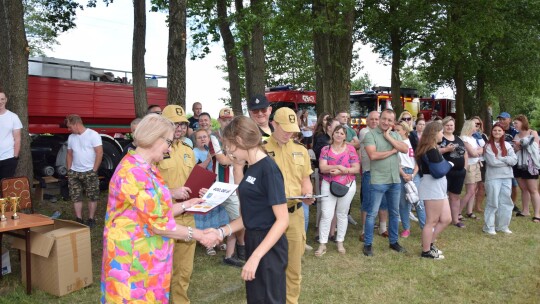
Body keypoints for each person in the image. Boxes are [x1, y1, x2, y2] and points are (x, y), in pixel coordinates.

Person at [100, 114, 213, 303]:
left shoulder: (147, 168)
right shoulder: (134, 172)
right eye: (168, 141)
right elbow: (159, 225)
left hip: (148, 262)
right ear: (154, 138)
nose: (170, 147)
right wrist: (201, 235)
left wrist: (186, 204)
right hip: (132, 265)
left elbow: (156, 211)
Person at [206, 116, 289, 304]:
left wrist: (257, 256)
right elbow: (247, 216)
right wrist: (221, 231)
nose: (228, 151)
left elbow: (282, 220)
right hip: (253, 239)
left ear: (241, 140)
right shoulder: (251, 168)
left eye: (229, 145)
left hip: (269, 244)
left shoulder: (268, 169)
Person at [264, 107, 314, 304]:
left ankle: (291, 301)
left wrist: (307, 193)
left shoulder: (301, 150)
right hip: (270, 216)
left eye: (292, 129)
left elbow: (305, 180)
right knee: (270, 264)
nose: (289, 133)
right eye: (284, 128)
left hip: (295, 214)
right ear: (273, 124)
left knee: (294, 266)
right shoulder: (260, 150)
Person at [157, 105, 199, 303]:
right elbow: (143, 187)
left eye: (183, 124)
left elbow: (192, 180)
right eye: (175, 124)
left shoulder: (187, 150)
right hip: (163, 216)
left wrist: (201, 190)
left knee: (184, 269)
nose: (180, 128)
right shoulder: (155, 151)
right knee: (160, 266)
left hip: (187, 215)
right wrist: (170, 192)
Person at [362, 109, 409, 256]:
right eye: (384, 119)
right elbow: (373, 155)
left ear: (393, 122)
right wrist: (392, 151)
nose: (386, 122)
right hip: (378, 181)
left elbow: (405, 149)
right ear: (380, 118)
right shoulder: (370, 135)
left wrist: (388, 137)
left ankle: (393, 242)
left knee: (394, 214)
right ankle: (368, 244)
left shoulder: (394, 135)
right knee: (372, 214)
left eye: (390, 120)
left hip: (394, 180)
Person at [315, 125, 359, 256]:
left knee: (342, 214)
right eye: (337, 132)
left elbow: (356, 168)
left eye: (342, 133)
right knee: (326, 214)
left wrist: (342, 170)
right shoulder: (325, 149)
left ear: (345, 136)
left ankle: (340, 241)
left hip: (347, 185)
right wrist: (338, 165)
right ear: (332, 134)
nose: (339, 135)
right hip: (328, 184)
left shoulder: (350, 149)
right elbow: (322, 167)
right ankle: (322, 244)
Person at [213, 107, 246, 266]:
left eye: (230, 119)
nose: (228, 122)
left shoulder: (236, 137)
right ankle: (241, 249)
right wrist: (237, 156)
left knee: (237, 217)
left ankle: (231, 254)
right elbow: (223, 160)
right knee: (238, 218)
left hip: (235, 182)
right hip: (222, 184)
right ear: (219, 120)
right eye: (225, 119)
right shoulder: (215, 137)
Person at [416, 121, 452, 260]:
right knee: (431, 220)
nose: (443, 134)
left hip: (439, 187)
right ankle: (426, 251)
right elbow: (438, 171)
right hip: (432, 186)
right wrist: (449, 164)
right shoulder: (430, 150)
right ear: (434, 133)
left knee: (446, 218)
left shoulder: (433, 148)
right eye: (441, 131)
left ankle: (429, 243)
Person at [65, 114, 103, 228]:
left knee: (92, 196)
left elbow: (99, 153)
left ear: (76, 124)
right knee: (76, 196)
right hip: (74, 172)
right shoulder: (71, 137)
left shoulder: (93, 135)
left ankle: (91, 219)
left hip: (89, 171)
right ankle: (79, 219)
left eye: (69, 127)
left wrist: (94, 169)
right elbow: (69, 154)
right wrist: (69, 170)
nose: (68, 129)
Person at [359, 111, 389, 241]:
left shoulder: (382, 133)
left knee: (384, 202)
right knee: (368, 202)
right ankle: (365, 230)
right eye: (372, 119)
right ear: (367, 121)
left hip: (383, 172)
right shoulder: (365, 132)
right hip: (369, 171)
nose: (375, 121)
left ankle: (383, 228)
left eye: (377, 119)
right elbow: (377, 151)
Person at [483, 123, 518, 234]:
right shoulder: (488, 146)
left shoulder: (507, 145)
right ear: (492, 132)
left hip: (507, 177)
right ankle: (489, 227)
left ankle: (502, 226)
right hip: (493, 177)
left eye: (499, 130)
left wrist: (502, 158)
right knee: (493, 202)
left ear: (503, 132)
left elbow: (514, 160)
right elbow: (492, 162)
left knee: (506, 201)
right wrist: (507, 161)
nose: (497, 132)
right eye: (495, 130)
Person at [394, 121, 426, 238]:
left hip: (414, 172)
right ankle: (406, 228)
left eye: (398, 130)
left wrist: (412, 175)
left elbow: (419, 160)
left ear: (405, 131)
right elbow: (395, 161)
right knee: (403, 203)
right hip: (400, 172)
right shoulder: (395, 143)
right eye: (394, 130)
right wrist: (403, 174)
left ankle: (425, 228)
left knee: (418, 201)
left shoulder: (413, 142)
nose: (395, 132)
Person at [512, 114, 540, 223]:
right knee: (523, 188)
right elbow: (515, 149)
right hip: (518, 165)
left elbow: (535, 148)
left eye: (516, 123)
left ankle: (537, 214)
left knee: (533, 190)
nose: (514, 125)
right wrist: (517, 146)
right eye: (514, 123)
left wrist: (521, 144)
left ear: (523, 122)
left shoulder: (532, 133)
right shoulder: (516, 135)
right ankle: (525, 210)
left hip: (530, 164)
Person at [439, 116, 467, 228]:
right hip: (445, 172)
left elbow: (465, 154)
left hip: (459, 172)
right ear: (443, 126)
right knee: (442, 196)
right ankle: (441, 219)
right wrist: (446, 149)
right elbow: (435, 152)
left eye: (451, 125)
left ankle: (455, 220)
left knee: (455, 196)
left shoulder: (458, 139)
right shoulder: (440, 138)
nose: (449, 127)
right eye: (447, 125)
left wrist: (465, 168)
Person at [497, 112, 520, 212]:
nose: (501, 121)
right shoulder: (496, 129)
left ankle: (513, 204)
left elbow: (518, 145)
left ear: (509, 120)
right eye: (500, 119)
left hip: (511, 161)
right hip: (499, 160)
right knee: (499, 184)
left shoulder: (514, 131)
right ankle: (499, 203)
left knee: (514, 185)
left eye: (504, 119)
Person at [460, 120, 483, 219]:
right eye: (475, 126)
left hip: (476, 164)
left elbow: (482, 149)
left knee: (474, 189)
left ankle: (469, 211)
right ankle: (458, 211)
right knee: (470, 190)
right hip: (469, 165)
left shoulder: (473, 138)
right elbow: (472, 153)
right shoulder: (464, 139)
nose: (476, 128)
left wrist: (476, 151)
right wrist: (476, 151)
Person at [0, 90, 22, 180]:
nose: (0, 102)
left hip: (8, 159)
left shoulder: (13, 117)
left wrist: (15, 157)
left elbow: (17, 139)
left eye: (2, 99)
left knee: (5, 189)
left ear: (6, 100)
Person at [471, 116, 488, 212]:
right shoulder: (467, 136)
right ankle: (469, 206)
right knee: (472, 186)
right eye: (474, 123)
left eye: (478, 124)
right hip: (472, 162)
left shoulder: (483, 136)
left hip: (483, 162)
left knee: (482, 185)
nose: (476, 126)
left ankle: (477, 206)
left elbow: (487, 148)